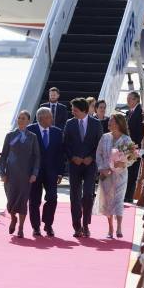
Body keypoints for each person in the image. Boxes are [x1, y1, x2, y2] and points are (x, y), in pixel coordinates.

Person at [63, 98, 103, 238]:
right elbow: (65, 143)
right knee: (75, 196)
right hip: (74, 165)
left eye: (75, 110)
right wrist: (72, 157)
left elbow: (100, 144)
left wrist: (91, 157)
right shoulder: (70, 123)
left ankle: (86, 224)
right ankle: (77, 226)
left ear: (84, 110)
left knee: (87, 194)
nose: (72, 112)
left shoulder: (96, 124)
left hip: (90, 165)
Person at [0, 110, 40, 238]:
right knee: (11, 200)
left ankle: (21, 228)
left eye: (23, 118)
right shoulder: (10, 135)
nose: (20, 120)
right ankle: (13, 218)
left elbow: (37, 156)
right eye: (19, 118)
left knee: (23, 201)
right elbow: (3, 156)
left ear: (28, 121)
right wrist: (2, 173)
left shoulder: (32, 137)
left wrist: (34, 173)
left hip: (26, 175)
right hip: (11, 174)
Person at [94, 113, 134, 238]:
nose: (109, 123)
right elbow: (99, 154)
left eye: (111, 121)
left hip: (120, 174)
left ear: (118, 124)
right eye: (109, 121)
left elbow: (132, 157)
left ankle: (119, 227)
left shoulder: (126, 139)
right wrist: (102, 169)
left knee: (119, 199)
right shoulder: (105, 137)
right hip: (106, 173)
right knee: (108, 201)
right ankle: (110, 228)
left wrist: (123, 163)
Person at [27, 107, 64, 237]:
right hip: (34, 172)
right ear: (41, 118)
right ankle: (36, 227)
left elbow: (60, 153)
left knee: (52, 198)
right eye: (49, 117)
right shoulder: (30, 130)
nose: (52, 119)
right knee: (34, 200)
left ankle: (48, 225)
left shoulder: (57, 132)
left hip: (52, 172)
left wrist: (60, 172)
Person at [124, 91, 143, 202]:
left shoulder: (140, 111)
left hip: (135, 147)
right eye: (127, 98)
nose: (127, 100)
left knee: (132, 173)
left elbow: (140, 131)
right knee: (128, 171)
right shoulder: (130, 112)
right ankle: (126, 195)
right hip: (129, 146)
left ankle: (129, 196)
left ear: (136, 99)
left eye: (130, 98)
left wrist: (137, 146)